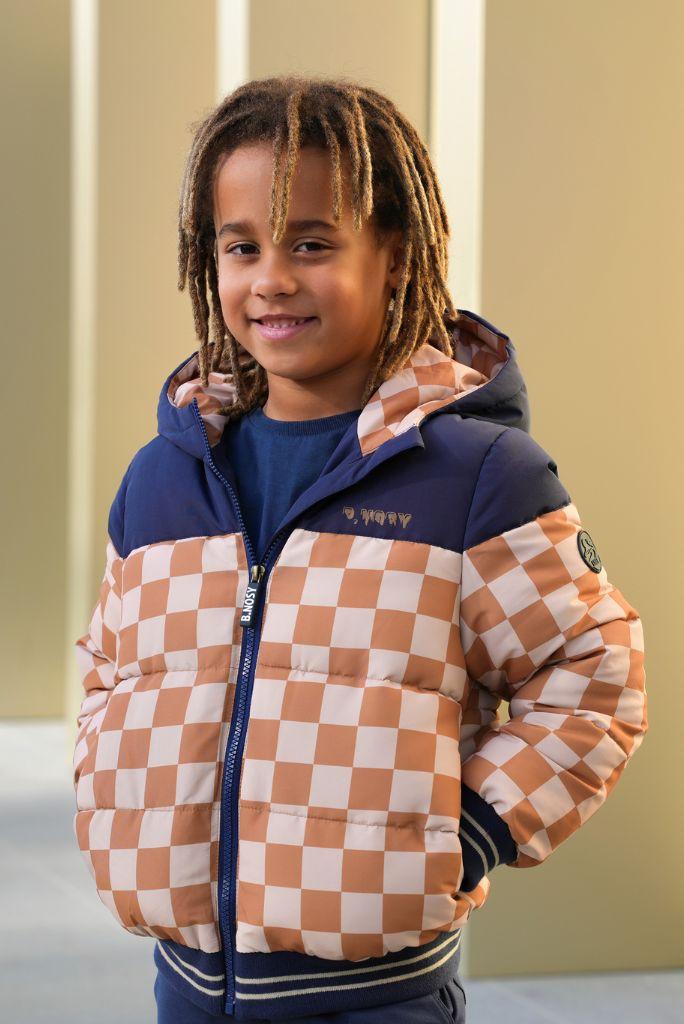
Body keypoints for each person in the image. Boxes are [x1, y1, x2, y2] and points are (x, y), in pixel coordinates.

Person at [71, 75, 648, 1024]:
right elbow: (109, 670)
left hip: (377, 995)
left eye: (311, 243)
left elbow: (594, 676)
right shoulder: (164, 479)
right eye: (241, 247)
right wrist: (114, 795)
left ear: (396, 257)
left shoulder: (477, 476)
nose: (271, 279)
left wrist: (466, 833)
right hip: (188, 983)